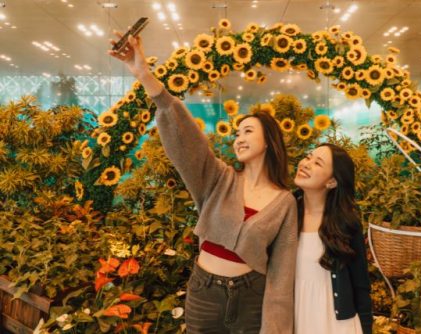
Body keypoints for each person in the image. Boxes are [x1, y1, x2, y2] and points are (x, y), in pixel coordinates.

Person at [108, 32, 297, 334]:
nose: (239, 138)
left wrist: (276, 328)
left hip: (252, 298)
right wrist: (145, 75)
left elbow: (283, 273)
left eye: (248, 131)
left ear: (269, 142)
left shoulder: (285, 202)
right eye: (237, 134)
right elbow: (186, 139)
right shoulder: (219, 178)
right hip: (205, 295)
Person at [293, 143, 373, 334]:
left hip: (336, 324)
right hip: (296, 317)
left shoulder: (345, 223)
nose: (306, 163)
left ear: (332, 182)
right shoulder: (287, 213)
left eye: (317, 163)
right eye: (308, 156)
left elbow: (360, 284)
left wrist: (367, 328)